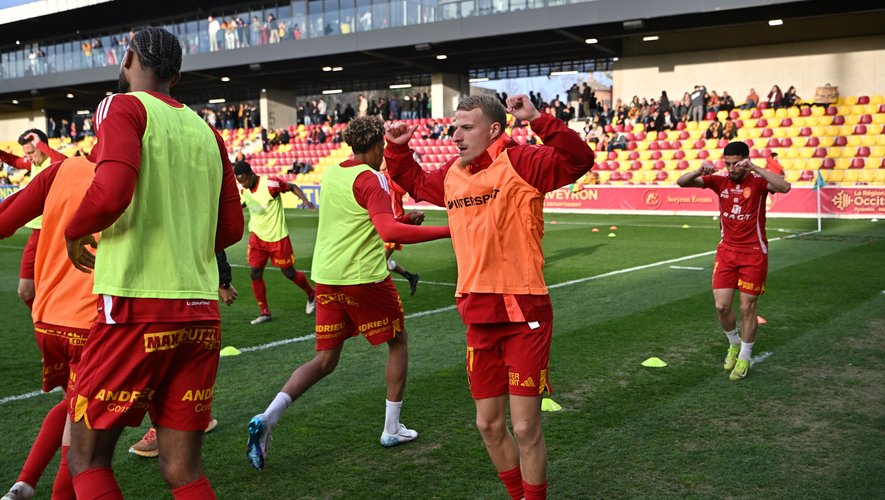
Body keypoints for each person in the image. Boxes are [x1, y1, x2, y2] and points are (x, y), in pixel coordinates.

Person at [384, 93, 594, 500]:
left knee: (526, 427)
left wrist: (537, 119)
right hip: (478, 313)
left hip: (524, 312)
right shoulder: (452, 173)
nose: (456, 136)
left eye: (467, 127)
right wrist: (397, 147)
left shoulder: (522, 162)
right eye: (455, 128)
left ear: (494, 129)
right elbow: (414, 181)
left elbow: (578, 160)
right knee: (488, 425)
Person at [63, 27, 243, 499]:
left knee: (86, 457)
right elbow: (230, 230)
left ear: (127, 60)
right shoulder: (207, 131)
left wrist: (74, 229)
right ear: (177, 75)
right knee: (184, 470)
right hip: (201, 314)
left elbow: (112, 191)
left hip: (135, 307)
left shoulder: (122, 106)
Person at [245, 116, 451, 470]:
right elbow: (385, 227)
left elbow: (364, 222)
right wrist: (449, 231)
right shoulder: (373, 178)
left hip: (326, 277)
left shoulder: (334, 173)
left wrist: (404, 223)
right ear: (375, 146)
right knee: (398, 341)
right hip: (362, 278)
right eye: (382, 147)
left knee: (325, 360)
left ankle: (269, 417)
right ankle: (391, 428)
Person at [0, 154, 98, 500]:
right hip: (95, 322)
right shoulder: (131, 173)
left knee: (72, 408)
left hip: (49, 317)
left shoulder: (60, 170)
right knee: (86, 438)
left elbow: (3, 222)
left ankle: (23, 485)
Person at [676, 141, 791, 381]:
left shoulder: (758, 183)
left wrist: (756, 168)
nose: (731, 169)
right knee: (721, 306)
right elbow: (682, 182)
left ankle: (745, 357)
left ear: (745, 161)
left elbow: (785, 187)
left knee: (747, 308)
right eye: (727, 163)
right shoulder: (720, 182)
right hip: (726, 252)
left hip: (753, 254)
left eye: (735, 164)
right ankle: (734, 343)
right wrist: (699, 171)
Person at [127, 250, 238, 458]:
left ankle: (160, 428)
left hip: (170, 285)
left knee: (155, 357)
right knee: (181, 353)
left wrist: (223, 281)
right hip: (186, 285)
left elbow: (220, 234)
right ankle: (199, 415)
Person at [234, 160, 317, 324]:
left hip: (277, 238)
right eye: (239, 181)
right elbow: (243, 204)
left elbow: (292, 187)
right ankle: (264, 312)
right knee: (255, 273)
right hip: (257, 238)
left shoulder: (270, 184)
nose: (242, 184)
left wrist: (305, 201)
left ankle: (312, 294)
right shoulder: (245, 191)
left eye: (244, 180)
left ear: (251, 174)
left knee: (289, 273)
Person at [0, 130, 66, 309]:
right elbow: (15, 161)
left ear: (41, 147)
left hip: (57, 236)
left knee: (60, 289)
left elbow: (66, 162)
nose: (28, 158)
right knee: (26, 290)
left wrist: (41, 145)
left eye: (32, 152)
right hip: (36, 237)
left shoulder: (55, 164)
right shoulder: (33, 164)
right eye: (26, 154)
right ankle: (42, 318)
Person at [379, 160, 422, 295]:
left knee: (379, 262)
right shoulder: (382, 178)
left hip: (395, 224)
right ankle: (411, 277)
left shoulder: (391, 179)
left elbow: (401, 189)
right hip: (388, 223)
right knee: (383, 262)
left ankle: (381, 293)